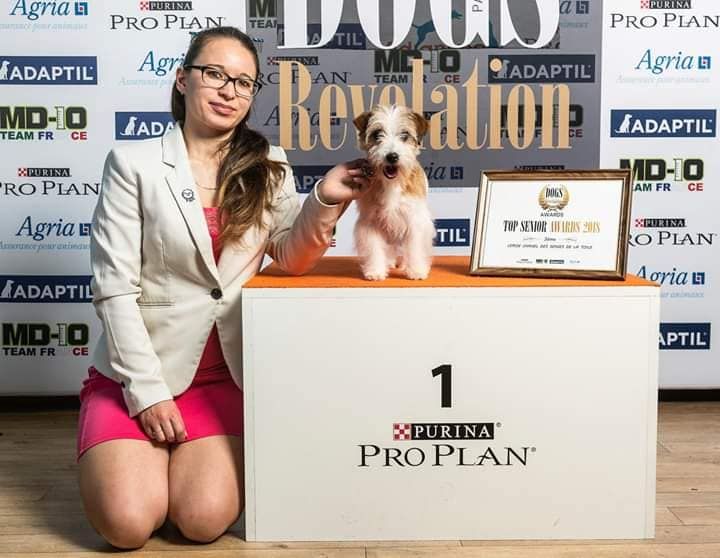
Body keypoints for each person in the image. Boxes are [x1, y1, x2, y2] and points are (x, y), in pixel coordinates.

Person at [76, 26, 370, 549]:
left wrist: (324, 200)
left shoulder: (269, 164)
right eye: (215, 74)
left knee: (203, 520)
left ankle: (175, 470)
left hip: (222, 378)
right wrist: (146, 394)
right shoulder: (133, 164)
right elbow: (114, 291)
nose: (229, 91)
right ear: (182, 79)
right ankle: (134, 458)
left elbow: (292, 256)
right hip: (139, 373)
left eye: (243, 82)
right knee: (127, 524)